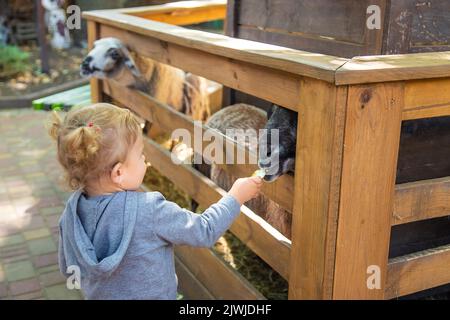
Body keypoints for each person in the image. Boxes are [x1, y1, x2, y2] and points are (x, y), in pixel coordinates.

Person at [48, 103, 262, 299]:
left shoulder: (71, 213)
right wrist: (236, 196)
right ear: (119, 173)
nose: (145, 159)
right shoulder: (149, 210)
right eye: (140, 154)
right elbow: (203, 230)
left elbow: (68, 268)